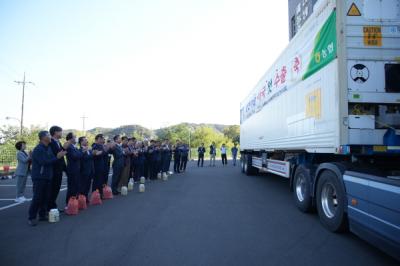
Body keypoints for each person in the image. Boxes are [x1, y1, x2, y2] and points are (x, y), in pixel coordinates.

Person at [28, 131, 66, 226]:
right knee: (37, 197)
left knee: (45, 197)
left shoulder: (48, 148)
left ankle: (42, 215)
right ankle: (31, 217)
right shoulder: (38, 149)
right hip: (39, 177)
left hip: (48, 176)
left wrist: (57, 157)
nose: (50, 137)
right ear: (43, 137)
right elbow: (44, 162)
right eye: (48, 135)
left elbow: (52, 160)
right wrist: (57, 157)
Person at [48, 126, 68, 212]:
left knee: (56, 189)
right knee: (52, 189)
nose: (61, 133)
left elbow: (61, 157)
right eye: (60, 132)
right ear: (55, 132)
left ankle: (53, 206)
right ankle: (49, 208)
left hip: (59, 170)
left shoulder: (58, 142)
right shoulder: (50, 142)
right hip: (53, 170)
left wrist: (65, 169)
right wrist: (63, 149)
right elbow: (56, 155)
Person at [65, 132, 83, 206]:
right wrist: (81, 152)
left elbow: (78, 155)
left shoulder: (74, 146)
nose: (76, 138)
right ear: (71, 138)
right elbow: (75, 156)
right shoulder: (69, 146)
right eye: (75, 137)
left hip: (76, 168)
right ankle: (69, 203)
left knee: (76, 186)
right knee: (72, 187)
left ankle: (74, 202)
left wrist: (79, 153)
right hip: (72, 169)